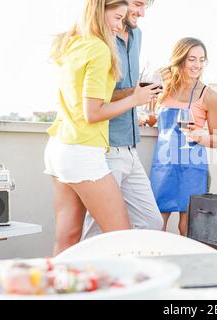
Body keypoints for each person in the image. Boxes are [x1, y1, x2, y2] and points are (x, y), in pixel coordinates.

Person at [45, 0, 162, 255]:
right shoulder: (100, 49)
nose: (119, 25)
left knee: (67, 240)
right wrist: (135, 98)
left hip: (59, 146)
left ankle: (54, 291)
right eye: (117, 18)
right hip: (85, 150)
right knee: (119, 239)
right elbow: (92, 112)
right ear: (101, 11)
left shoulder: (73, 42)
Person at [82, 0, 164, 240]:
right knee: (96, 231)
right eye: (137, 5)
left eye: (144, 8)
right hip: (105, 146)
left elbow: (128, 88)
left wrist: (145, 89)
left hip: (130, 146)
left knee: (151, 221)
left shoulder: (137, 35)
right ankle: (84, 276)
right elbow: (93, 100)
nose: (141, 13)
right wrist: (134, 94)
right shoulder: (99, 38)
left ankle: (120, 269)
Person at [149, 38, 217, 236]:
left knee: (187, 228)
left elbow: (216, 140)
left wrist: (199, 135)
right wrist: (148, 119)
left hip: (193, 168)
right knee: (156, 224)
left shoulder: (210, 95)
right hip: (164, 166)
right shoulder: (163, 90)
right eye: (192, 59)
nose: (197, 65)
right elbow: (156, 119)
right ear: (180, 60)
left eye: (201, 59)